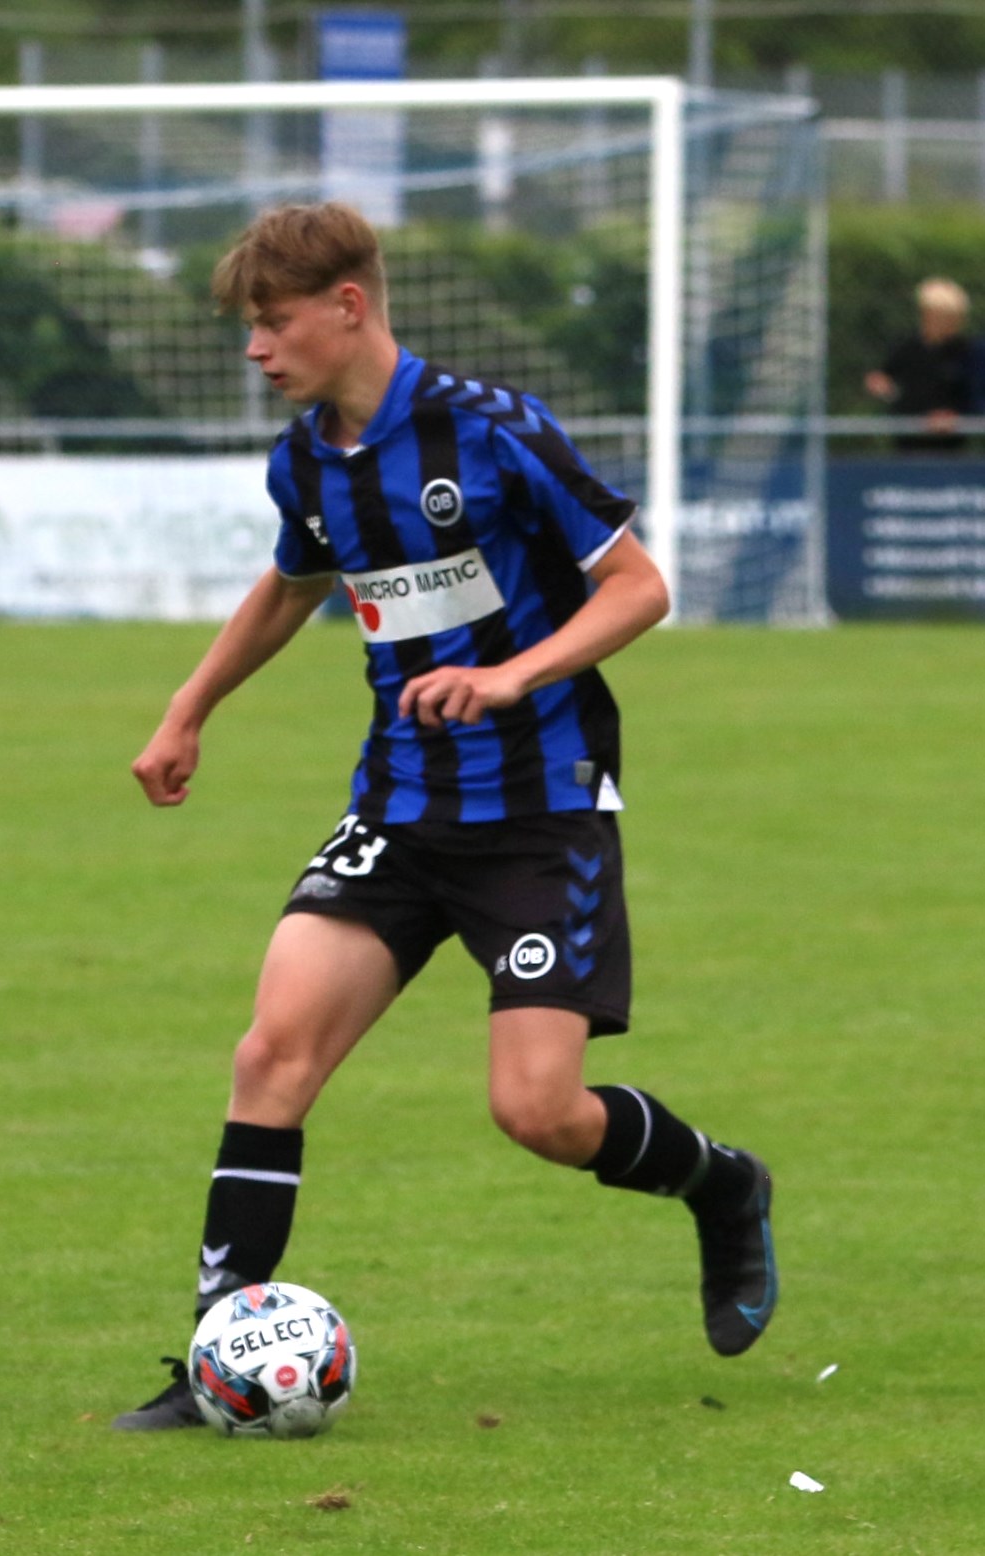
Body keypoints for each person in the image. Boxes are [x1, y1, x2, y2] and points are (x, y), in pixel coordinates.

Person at [114, 201, 778, 1431]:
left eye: (272, 322)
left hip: (538, 809)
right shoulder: (305, 459)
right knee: (270, 1055)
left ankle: (722, 1182)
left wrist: (514, 673)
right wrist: (187, 707)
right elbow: (293, 582)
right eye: (249, 326)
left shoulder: (493, 429)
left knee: (539, 1111)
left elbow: (639, 588)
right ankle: (215, 1360)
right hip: (399, 808)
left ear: (347, 306)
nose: (255, 348)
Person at [864, 276, 976, 452]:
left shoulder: (967, 351)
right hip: (908, 440)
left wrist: (954, 417)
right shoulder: (906, 347)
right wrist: (880, 384)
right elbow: (884, 376)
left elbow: (974, 395)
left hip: (949, 446)